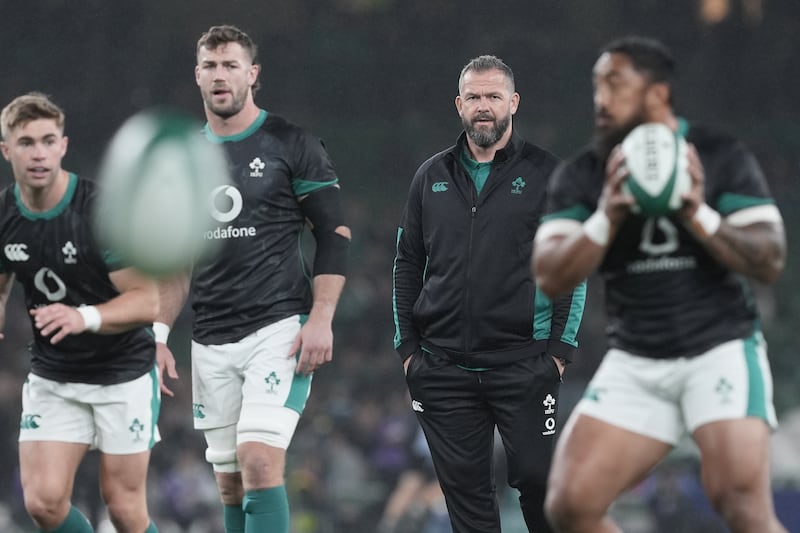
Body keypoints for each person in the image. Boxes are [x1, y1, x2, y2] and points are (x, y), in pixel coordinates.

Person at [532, 36, 788, 533]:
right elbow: (549, 273)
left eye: (616, 83)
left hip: (718, 348)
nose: (601, 99)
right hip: (637, 359)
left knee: (740, 503)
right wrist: (607, 216)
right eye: (596, 86)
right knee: (569, 505)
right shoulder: (585, 174)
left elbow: (771, 259)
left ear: (657, 94)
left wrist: (698, 214)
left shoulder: (716, 154)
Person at [155, 25, 350, 533]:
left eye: (231, 65)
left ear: (252, 75)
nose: (221, 76)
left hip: (279, 328)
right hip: (211, 338)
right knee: (231, 483)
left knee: (260, 461)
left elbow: (334, 233)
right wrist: (156, 336)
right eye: (211, 66)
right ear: (198, 76)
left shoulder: (291, 143)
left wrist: (322, 319)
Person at [392, 55, 586, 533]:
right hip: (443, 370)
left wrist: (559, 352)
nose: (484, 107)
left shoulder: (547, 175)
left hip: (524, 364)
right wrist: (408, 351)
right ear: (459, 104)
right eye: (474, 97)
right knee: (467, 501)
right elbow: (408, 263)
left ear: (513, 103)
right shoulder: (429, 176)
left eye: (493, 96)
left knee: (541, 486)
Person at [0, 92, 161, 532]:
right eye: (27, 142)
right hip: (55, 375)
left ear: (63, 146)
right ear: (6, 150)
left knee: (125, 511)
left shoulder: (97, 210)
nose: (39, 153)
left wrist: (82, 316)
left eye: (48, 141)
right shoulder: (3, 214)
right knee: (43, 504)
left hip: (121, 373)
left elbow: (147, 300)